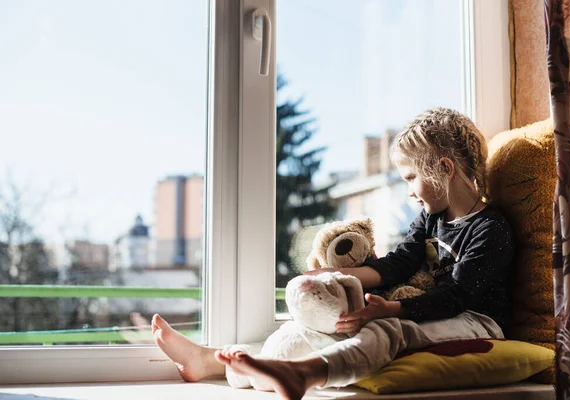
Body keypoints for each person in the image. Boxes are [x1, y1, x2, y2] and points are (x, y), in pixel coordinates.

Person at [152, 107, 515, 400]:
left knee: (387, 329)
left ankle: (305, 375)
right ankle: (211, 361)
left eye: (409, 178)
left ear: (444, 169)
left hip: (477, 323)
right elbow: (399, 263)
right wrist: (336, 278)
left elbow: (457, 296)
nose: (408, 191)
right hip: (430, 310)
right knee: (318, 329)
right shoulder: (430, 216)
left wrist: (389, 309)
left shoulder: (489, 229)